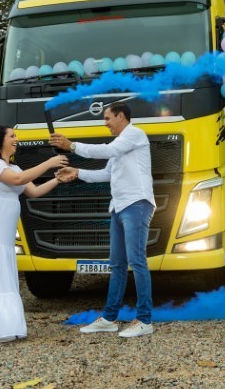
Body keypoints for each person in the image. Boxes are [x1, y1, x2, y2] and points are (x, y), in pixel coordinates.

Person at [50, 103, 156, 338]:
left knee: (137, 261)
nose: (105, 123)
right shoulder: (120, 145)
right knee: (117, 264)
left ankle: (145, 320)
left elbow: (107, 151)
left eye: (108, 118)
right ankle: (109, 319)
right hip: (119, 207)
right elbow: (106, 174)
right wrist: (77, 172)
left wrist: (72, 146)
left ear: (121, 116)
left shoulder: (135, 135)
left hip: (137, 204)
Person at [0, 125, 68, 343]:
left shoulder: (15, 167)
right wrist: (49, 163)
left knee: (3, 270)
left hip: (3, 227)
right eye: (12, 136)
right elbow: (17, 181)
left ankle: (4, 326)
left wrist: (58, 179)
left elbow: (34, 191)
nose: (16, 139)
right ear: (0, 140)